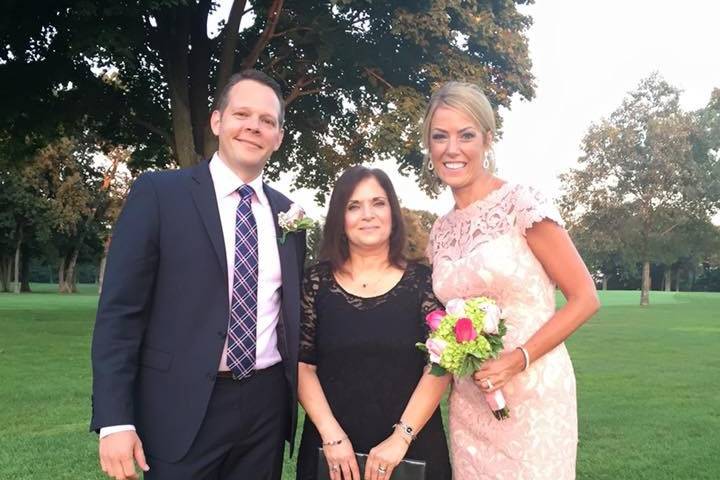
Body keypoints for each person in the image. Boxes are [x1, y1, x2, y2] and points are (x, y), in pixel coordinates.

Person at [90, 69, 306, 480]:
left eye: (267, 121)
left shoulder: (288, 214)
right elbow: (119, 314)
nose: (253, 127)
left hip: (264, 408)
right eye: (242, 114)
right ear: (217, 121)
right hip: (179, 406)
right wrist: (115, 420)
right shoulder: (159, 194)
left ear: (278, 137)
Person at [423, 82, 600, 479]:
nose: (452, 149)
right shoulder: (440, 231)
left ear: (487, 139)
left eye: (466, 135)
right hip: (471, 404)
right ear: (429, 146)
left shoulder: (521, 204)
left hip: (535, 395)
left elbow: (585, 297)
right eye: (440, 136)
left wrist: (518, 359)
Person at [296, 166, 452, 480]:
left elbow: (439, 364)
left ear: (393, 213)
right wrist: (333, 437)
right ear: (340, 219)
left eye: (378, 203)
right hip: (333, 453)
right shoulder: (315, 282)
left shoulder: (424, 283)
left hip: (413, 450)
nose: (368, 214)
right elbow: (302, 365)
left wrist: (401, 437)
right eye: (354, 206)